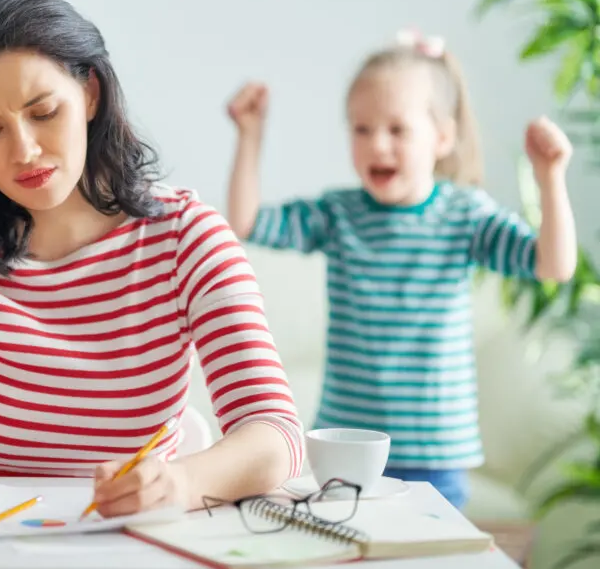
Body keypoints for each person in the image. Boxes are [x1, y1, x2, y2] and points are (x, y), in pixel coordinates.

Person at [0, 0, 303, 517]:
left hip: (127, 544)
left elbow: (277, 435)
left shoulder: (186, 237)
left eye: (44, 113)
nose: (24, 150)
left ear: (90, 93)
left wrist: (179, 484)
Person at [224, 29, 577, 509]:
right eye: (361, 129)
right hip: (346, 445)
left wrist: (551, 178)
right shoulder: (339, 213)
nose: (377, 145)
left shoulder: (464, 214)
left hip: (436, 452)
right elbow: (247, 222)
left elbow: (552, 265)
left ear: (442, 137)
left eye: (397, 129)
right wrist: (250, 136)